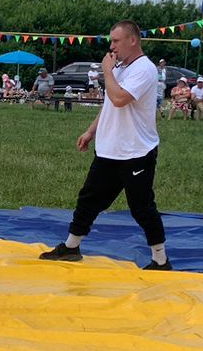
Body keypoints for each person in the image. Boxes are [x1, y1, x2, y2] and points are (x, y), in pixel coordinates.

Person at [41, 21, 169, 271]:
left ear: (133, 41)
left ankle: (161, 260)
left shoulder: (144, 69)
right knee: (88, 199)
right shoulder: (120, 67)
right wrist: (91, 131)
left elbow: (120, 99)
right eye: (111, 41)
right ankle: (71, 246)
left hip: (136, 151)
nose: (112, 47)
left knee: (142, 207)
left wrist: (107, 71)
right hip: (110, 149)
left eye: (116, 41)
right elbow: (110, 104)